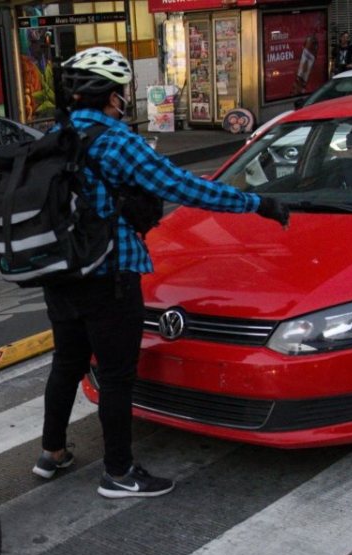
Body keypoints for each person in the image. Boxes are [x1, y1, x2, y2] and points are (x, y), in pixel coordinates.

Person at [34, 47, 290, 499]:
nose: (124, 99)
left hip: (61, 272)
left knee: (66, 363)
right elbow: (184, 188)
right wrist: (258, 203)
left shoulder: (57, 133)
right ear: (110, 95)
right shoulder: (116, 141)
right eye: (121, 91)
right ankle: (119, 472)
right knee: (116, 377)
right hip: (109, 275)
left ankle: (51, 453)